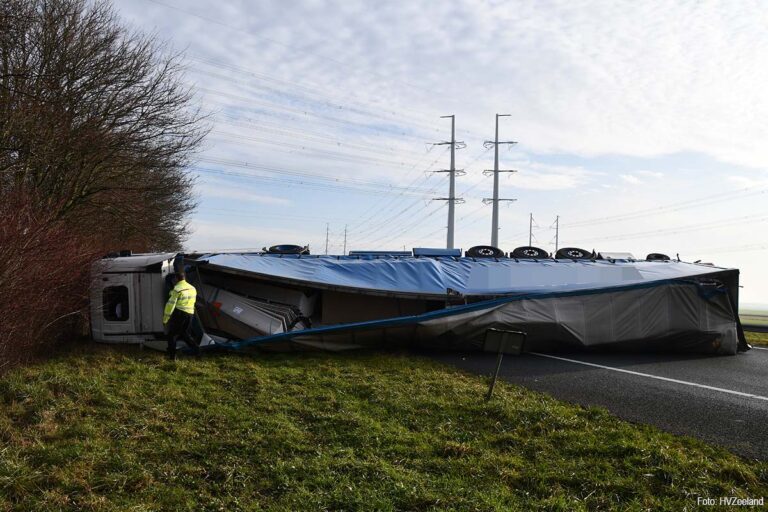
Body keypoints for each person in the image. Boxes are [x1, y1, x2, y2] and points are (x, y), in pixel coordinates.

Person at [163, 271, 199, 360]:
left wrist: (165, 319)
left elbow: (170, 305)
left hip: (180, 314)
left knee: (172, 335)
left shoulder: (177, 289)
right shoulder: (192, 288)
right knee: (185, 334)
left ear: (176, 279)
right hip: (190, 313)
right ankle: (197, 351)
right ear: (184, 277)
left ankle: (172, 357)